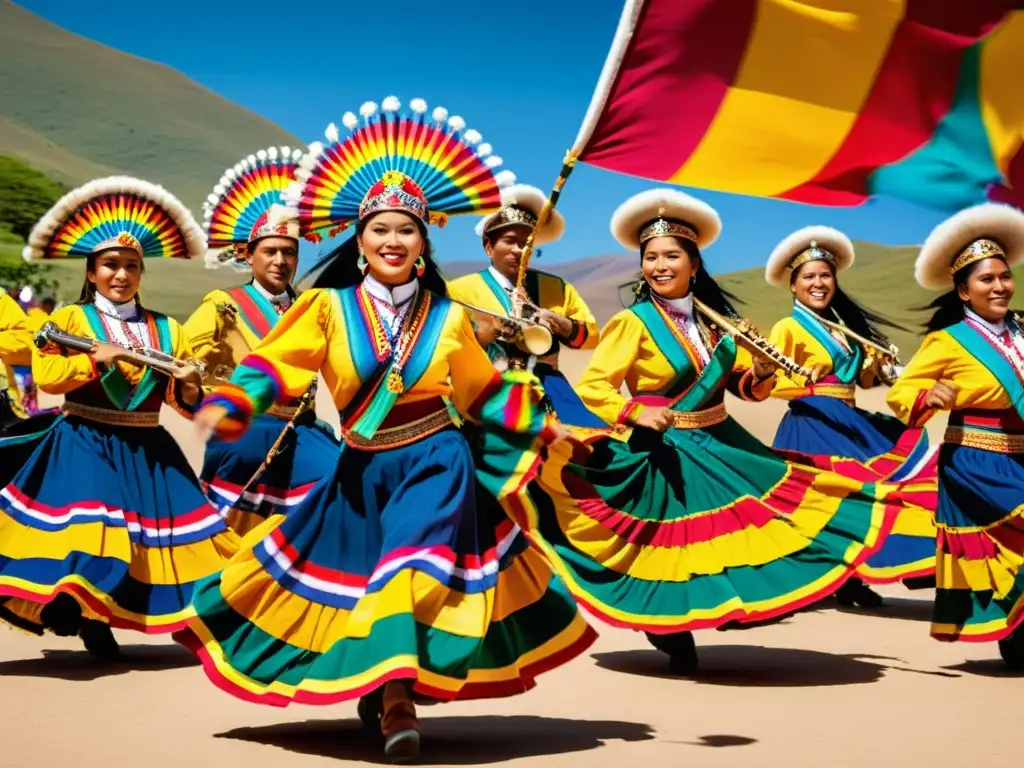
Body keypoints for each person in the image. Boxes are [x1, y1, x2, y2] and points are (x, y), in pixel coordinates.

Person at [179, 97, 595, 764]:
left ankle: (399, 701)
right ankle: (383, 687)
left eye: (407, 230)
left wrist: (548, 428)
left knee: (407, 571)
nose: (393, 241)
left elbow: (482, 393)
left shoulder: (452, 320)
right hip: (359, 469)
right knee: (353, 582)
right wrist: (233, 401)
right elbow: (276, 364)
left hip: (436, 461)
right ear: (360, 242)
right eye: (380, 231)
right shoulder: (324, 307)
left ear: (424, 243)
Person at [502, 188, 898, 676]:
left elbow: (744, 392)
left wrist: (759, 371)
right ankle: (668, 627)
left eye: (672, 256)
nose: (660, 266)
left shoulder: (718, 325)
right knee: (667, 544)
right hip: (662, 447)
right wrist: (632, 414)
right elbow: (596, 387)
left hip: (720, 439)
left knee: (747, 526)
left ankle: (728, 607)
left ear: (694, 263)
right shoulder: (631, 322)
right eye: (651, 258)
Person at [0, 176, 239, 659]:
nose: (121, 275)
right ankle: (77, 615)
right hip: (83, 439)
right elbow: (47, 376)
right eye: (110, 265)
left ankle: (158, 621)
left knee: (191, 544)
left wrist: (190, 382)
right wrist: (96, 360)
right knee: (93, 531)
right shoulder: (69, 320)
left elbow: (180, 403)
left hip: (148, 448)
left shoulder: (167, 328)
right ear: (91, 272)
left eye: (131, 266)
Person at [765, 226, 938, 607]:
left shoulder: (843, 328)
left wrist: (878, 367)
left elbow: (858, 379)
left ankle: (859, 573)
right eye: (808, 276)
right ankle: (836, 578)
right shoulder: (788, 327)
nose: (819, 283)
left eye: (825, 275)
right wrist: (802, 383)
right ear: (793, 286)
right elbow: (770, 382)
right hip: (813, 421)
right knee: (836, 499)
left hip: (850, 418)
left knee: (873, 492)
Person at [887, 202, 1024, 668]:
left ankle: (1017, 629)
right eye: (986, 280)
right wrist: (932, 395)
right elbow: (902, 392)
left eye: (1004, 277)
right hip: (977, 460)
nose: (999, 286)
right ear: (964, 291)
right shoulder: (947, 341)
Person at [185, 147, 340, 535]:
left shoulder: (313, 308)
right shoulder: (224, 304)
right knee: (230, 531)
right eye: (269, 251)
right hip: (245, 429)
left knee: (337, 487)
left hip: (301, 428)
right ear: (249, 257)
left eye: (289, 252)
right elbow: (187, 357)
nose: (279, 260)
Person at [448, 185, 603, 426]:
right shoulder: (459, 290)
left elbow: (592, 337)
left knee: (595, 449)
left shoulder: (558, 288)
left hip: (551, 391)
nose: (519, 250)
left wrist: (564, 325)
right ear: (488, 246)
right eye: (510, 241)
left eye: (527, 242)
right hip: (488, 391)